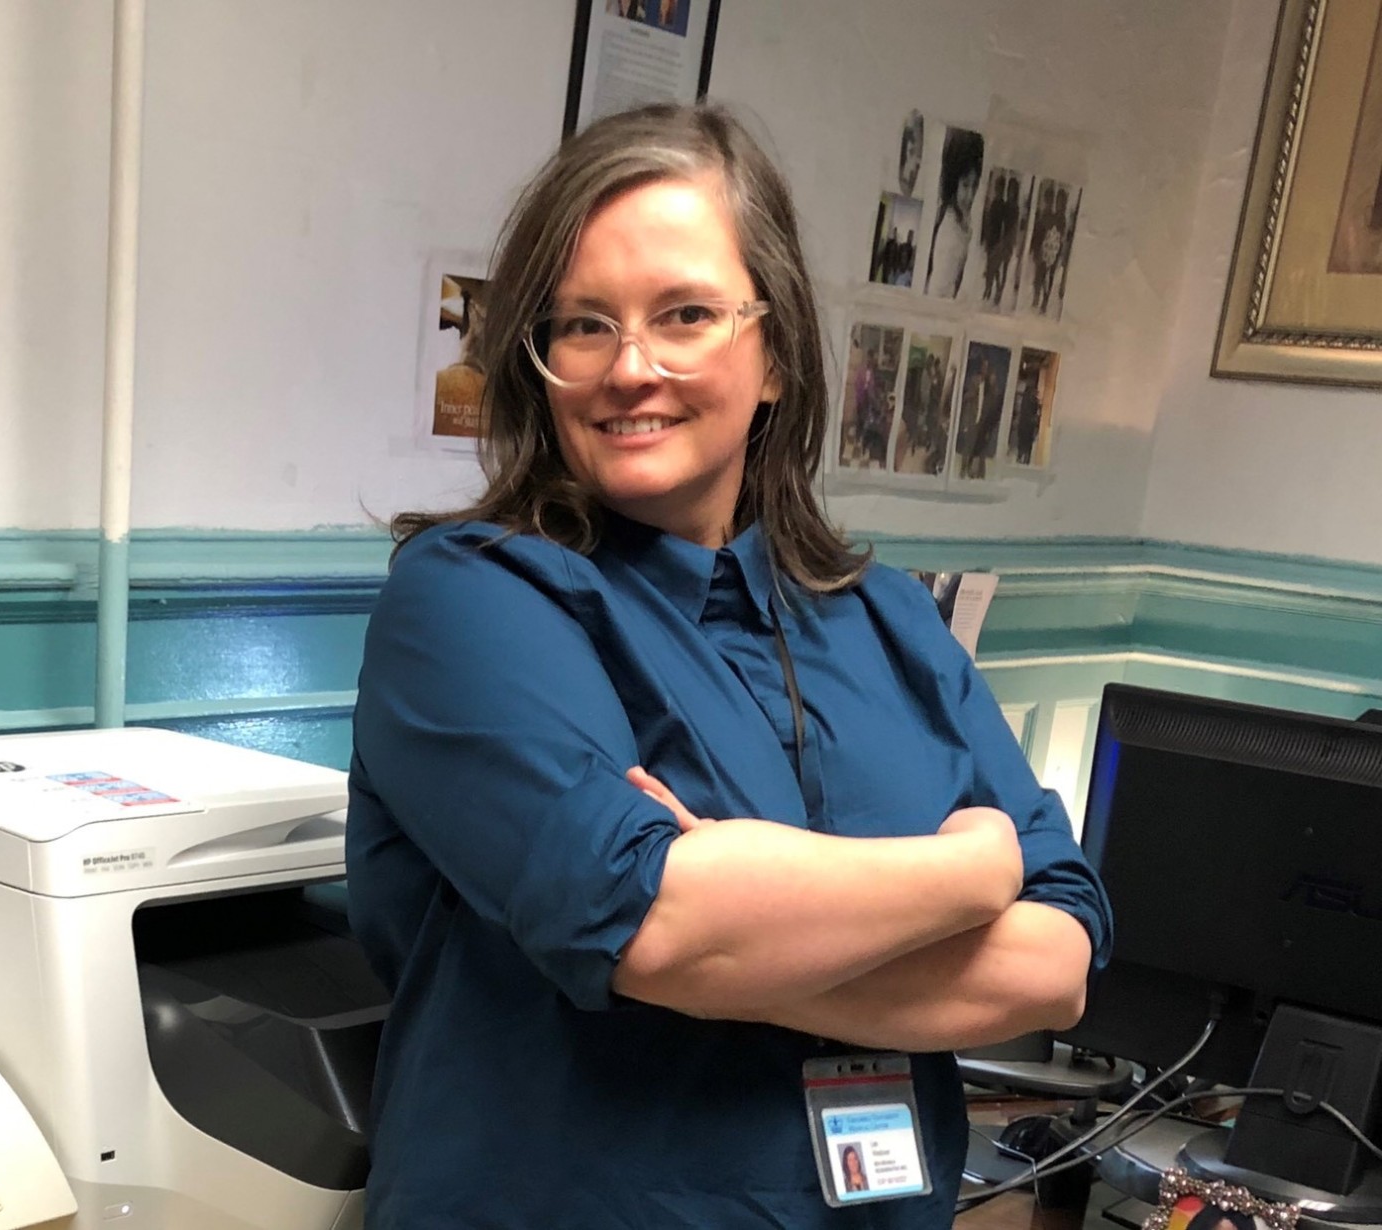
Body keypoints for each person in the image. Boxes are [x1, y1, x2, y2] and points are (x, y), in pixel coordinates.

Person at [347, 103, 1110, 1228]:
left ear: (778, 360)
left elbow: (1055, 964)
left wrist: (747, 926)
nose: (631, 368)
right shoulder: (472, 600)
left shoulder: (890, 625)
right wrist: (965, 875)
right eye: (583, 326)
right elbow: (653, 927)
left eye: (687, 314)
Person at [925, 128, 983, 297]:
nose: (971, 195)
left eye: (975, 185)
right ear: (954, 182)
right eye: (965, 185)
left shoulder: (963, 219)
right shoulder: (949, 234)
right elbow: (938, 291)